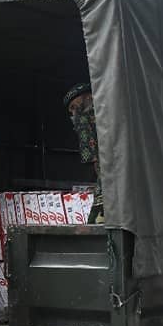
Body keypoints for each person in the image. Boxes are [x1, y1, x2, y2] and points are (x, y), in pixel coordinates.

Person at [64, 83, 104, 223]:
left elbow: (91, 156)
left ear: (88, 97)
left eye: (75, 107)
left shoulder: (85, 119)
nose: (74, 114)